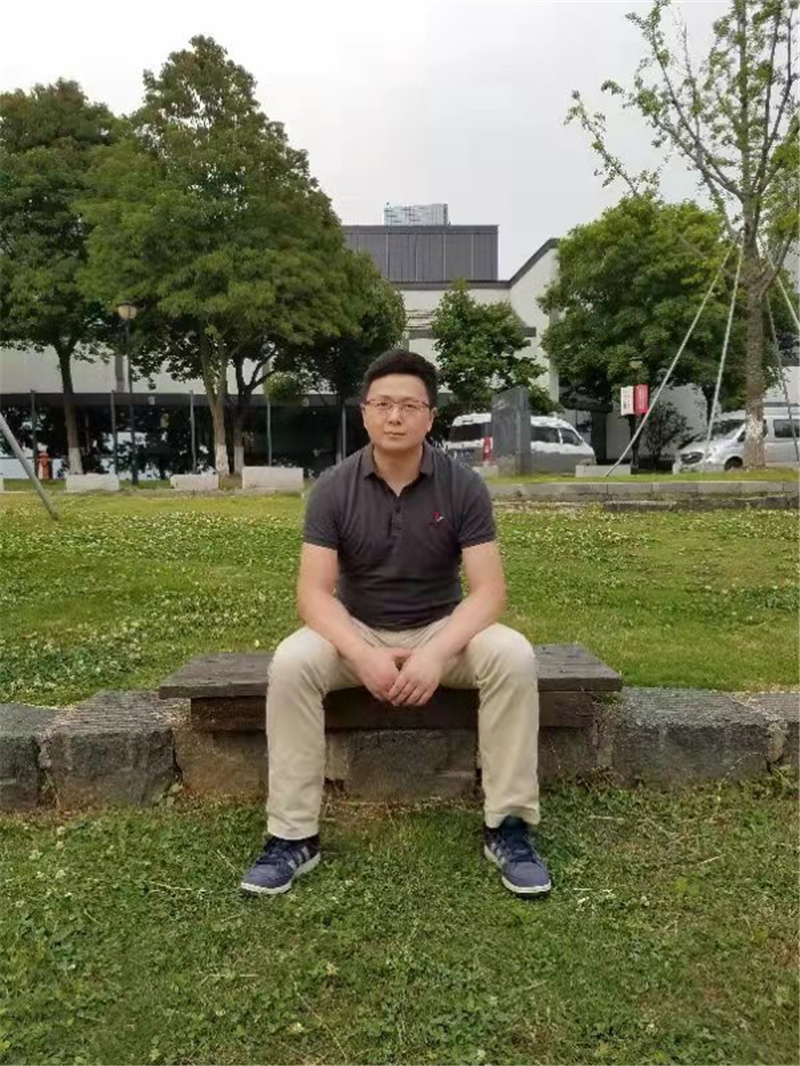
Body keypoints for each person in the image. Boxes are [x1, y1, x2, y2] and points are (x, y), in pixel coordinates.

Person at [241, 349, 550, 898]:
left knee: (512, 655)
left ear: (431, 417)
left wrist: (436, 652)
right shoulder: (333, 488)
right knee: (291, 663)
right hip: (356, 630)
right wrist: (361, 654)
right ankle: (292, 835)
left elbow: (489, 592)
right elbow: (313, 595)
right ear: (364, 413)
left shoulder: (463, 486)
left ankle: (509, 826)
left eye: (409, 406)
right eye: (382, 404)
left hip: (441, 630)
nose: (395, 417)